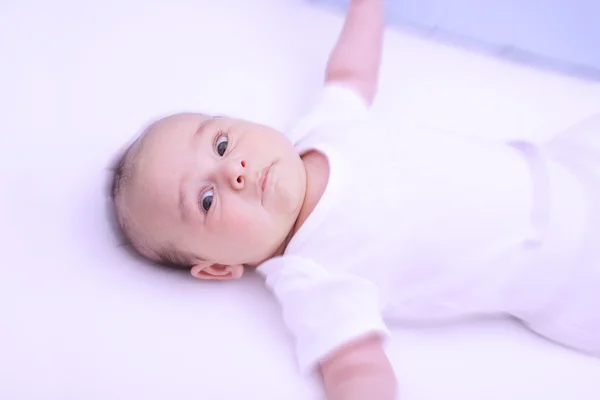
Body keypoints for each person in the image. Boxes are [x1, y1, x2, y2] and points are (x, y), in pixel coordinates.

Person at [110, 0, 600, 398]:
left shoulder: (318, 130)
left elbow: (350, 74)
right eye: (207, 201)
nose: (233, 171)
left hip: (567, 160)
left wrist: (366, 9)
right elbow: (357, 370)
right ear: (217, 268)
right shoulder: (313, 278)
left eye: (221, 144)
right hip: (574, 273)